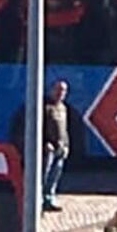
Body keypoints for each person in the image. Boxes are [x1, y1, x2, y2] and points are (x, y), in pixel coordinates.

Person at [42, 80, 70, 212]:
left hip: (60, 148)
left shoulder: (63, 108)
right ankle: (39, 200)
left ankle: (49, 199)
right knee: (44, 175)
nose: (60, 93)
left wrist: (66, 145)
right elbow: (38, 127)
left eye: (63, 91)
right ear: (52, 90)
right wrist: (44, 142)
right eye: (58, 90)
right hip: (48, 149)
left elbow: (64, 129)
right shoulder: (45, 107)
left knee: (54, 176)